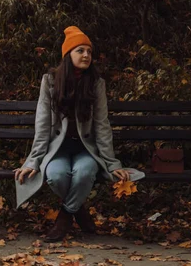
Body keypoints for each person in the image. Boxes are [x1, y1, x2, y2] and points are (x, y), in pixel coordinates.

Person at [14, 26, 145, 242]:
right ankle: (79, 210)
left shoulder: (96, 84)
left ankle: (65, 217)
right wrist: (33, 161)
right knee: (56, 176)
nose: (86, 55)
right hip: (59, 149)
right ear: (68, 55)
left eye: (89, 51)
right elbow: (43, 124)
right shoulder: (50, 82)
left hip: (86, 150)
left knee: (84, 174)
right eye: (80, 50)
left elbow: (102, 126)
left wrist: (112, 164)